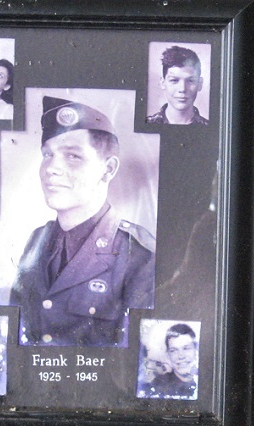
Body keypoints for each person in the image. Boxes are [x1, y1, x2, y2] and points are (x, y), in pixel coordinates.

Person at [9, 96, 156, 346]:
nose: (50, 169)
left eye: (73, 156)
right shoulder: (36, 240)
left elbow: (132, 359)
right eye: (47, 154)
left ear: (108, 169)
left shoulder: (140, 256)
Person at [146, 46, 208, 126]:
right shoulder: (148, 124)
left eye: (190, 81)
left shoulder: (211, 128)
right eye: (174, 80)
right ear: (162, 82)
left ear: (200, 84)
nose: (182, 89)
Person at [143, 323, 198, 399]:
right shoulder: (159, 385)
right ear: (168, 354)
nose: (181, 356)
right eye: (174, 350)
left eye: (186, 348)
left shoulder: (207, 381)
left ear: (196, 350)